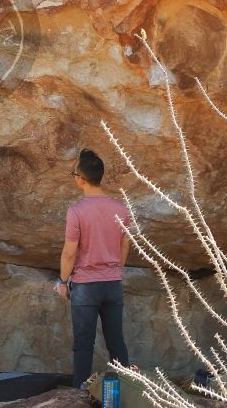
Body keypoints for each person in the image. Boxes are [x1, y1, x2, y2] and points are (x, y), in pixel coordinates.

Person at [55, 149, 131, 389]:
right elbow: (124, 246)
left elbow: (69, 252)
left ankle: (79, 395)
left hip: (86, 286)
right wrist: (115, 271)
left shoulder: (76, 211)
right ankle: (126, 390)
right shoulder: (120, 209)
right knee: (116, 343)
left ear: (81, 178)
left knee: (84, 344)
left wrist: (62, 281)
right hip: (112, 284)